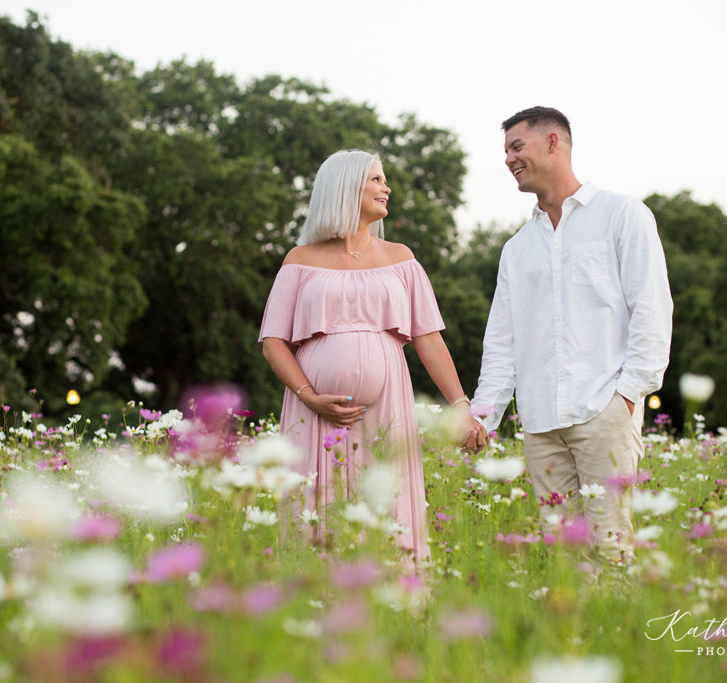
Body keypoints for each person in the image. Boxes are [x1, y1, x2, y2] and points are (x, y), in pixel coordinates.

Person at [259, 149, 486, 565]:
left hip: (388, 408)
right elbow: (273, 341)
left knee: (388, 503)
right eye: (377, 179)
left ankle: (395, 594)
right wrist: (310, 397)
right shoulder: (300, 260)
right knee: (318, 508)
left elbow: (429, 339)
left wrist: (460, 406)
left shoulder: (401, 259)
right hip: (315, 413)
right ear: (345, 186)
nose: (388, 188)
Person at [470, 107, 673, 567]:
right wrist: (484, 416)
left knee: (611, 547)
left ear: (553, 142)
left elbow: (651, 308)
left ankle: (617, 617)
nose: (508, 159)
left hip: (604, 409)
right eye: (505, 151)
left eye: (516, 147)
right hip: (540, 422)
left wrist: (628, 394)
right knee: (564, 556)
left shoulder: (622, 214)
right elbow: (502, 341)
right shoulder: (517, 249)